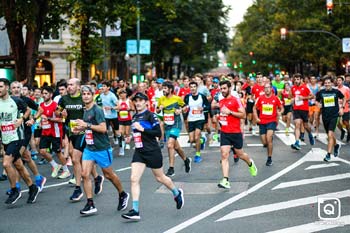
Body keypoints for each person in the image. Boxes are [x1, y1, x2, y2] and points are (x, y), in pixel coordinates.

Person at [121, 92, 184, 221]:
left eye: (140, 101)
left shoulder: (151, 116)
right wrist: (131, 137)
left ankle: (177, 193)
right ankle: (135, 210)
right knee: (134, 179)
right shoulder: (134, 117)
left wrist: (142, 129)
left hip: (152, 151)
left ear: (146, 102)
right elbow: (138, 133)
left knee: (160, 178)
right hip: (139, 151)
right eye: (136, 101)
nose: (138, 103)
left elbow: (158, 133)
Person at [70, 85, 129, 215]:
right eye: (83, 94)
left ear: (92, 96)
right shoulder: (85, 110)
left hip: (102, 148)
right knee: (85, 174)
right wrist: (79, 129)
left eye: (88, 94)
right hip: (89, 148)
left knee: (109, 175)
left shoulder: (97, 110)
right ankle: (90, 203)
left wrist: (87, 125)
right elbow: (88, 128)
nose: (85, 96)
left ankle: (123, 194)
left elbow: (103, 129)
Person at [57, 78, 104, 201]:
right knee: (83, 159)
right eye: (68, 85)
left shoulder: (83, 98)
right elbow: (58, 111)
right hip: (72, 132)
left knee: (75, 158)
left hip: (85, 132)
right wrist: (62, 114)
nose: (69, 87)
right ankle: (97, 177)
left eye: (71, 85)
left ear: (78, 87)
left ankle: (78, 189)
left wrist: (87, 125)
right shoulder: (64, 99)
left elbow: (92, 111)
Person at [0, 78, 40, 204]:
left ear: (6, 88)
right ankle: (32, 187)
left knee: (6, 164)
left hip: (17, 137)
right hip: (5, 138)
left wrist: (21, 119)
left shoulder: (16, 101)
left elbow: (28, 110)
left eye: (0, 86)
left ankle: (14, 190)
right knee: (18, 165)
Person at [217, 80, 257, 189]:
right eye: (221, 89)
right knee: (224, 155)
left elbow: (243, 115)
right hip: (225, 132)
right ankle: (225, 180)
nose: (222, 91)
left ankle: (250, 163)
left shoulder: (236, 100)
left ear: (229, 88)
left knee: (240, 154)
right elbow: (222, 116)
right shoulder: (221, 101)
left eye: (224, 88)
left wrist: (230, 112)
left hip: (235, 133)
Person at [32, 86, 70, 179]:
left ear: (51, 95)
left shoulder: (55, 106)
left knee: (58, 152)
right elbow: (40, 116)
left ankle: (66, 171)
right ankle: (55, 165)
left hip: (55, 132)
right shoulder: (41, 105)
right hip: (45, 132)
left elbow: (62, 119)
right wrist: (40, 122)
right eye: (43, 94)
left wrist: (48, 118)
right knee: (42, 151)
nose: (44, 95)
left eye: (46, 93)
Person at [157, 81, 191, 177]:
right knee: (176, 147)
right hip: (167, 125)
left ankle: (171, 168)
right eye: (163, 88)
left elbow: (185, 107)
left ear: (170, 89)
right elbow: (157, 110)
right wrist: (160, 108)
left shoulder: (177, 99)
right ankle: (186, 159)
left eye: (165, 88)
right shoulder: (161, 99)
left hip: (176, 125)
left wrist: (180, 110)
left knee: (169, 145)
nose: (163, 90)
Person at [253, 83, 284, 166]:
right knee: (264, 142)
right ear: (264, 90)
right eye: (265, 88)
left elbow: (281, 107)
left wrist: (280, 112)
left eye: (268, 88)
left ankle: (269, 158)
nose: (267, 89)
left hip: (272, 121)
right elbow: (254, 108)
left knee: (269, 138)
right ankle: (268, 144)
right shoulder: (260, 98)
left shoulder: (275, 98)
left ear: (271, 89)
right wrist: (256, 118)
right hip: (262, 122)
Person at [316, 76, 345, 161]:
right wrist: (318, 104)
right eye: (326, 83)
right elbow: (316, 100)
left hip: (334, 115)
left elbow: (343, 98)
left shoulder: (336, 92)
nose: (327, 84)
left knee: (330, 135)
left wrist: (342, 108)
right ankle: (336, 145)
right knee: (330, 135)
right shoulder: (321, 92)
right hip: (325, 116)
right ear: (324, 84)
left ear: (332, 83)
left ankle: (328, 154)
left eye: (329, 83)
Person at [183, 81, 210, 163]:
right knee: (191, 140)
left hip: (200, 119)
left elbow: (208, 106)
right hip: (191, 119)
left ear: (197, 87)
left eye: (194, 87)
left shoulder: (202, 96)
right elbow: (184, 105)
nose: (193, 88)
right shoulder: (187, 97)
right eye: (191, 87)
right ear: (189, 88)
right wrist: (184, 109)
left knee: (196, 137)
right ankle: (202, 141)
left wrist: (203, 108)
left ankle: (198, 155)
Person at [290, 73, 315, 150]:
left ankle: (310, 134)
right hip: (296, 109)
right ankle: (297, 142)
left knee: (306, 126)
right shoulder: (293, 88)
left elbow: (312, 96)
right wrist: (292, 99)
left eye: (298, 79)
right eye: (295, 79)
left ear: (301, 80)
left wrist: (303, 98)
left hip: (304, 109)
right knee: (297, 124)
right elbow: (290, 96)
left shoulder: (305, 87)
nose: (296, 81)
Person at [100, 80, 120, 146]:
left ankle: (121, 146)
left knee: (117, 132)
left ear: (108, 88)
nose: (102, 87)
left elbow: (118, 106)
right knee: (105, 130)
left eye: (104, 86)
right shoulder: (101, 95)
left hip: (113, 116)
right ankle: (107, 145)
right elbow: (101, 104)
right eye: (102, 86)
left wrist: (111, 108)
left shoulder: (112, 95)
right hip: (105, 116)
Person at [117, 89, 134, 155]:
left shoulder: (129, 101)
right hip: (121, 119)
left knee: (126, 132)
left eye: (124, 93)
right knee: (121, 132)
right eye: (121, 93)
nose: (122, 95)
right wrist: (117, 109)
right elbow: (117, 109)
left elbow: (133, 108)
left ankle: (127, 144)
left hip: (127, 118)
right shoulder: (119, 101)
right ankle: (123, 144)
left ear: (126, 94)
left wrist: (129, 109)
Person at [335, 76, 350, 142]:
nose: (338, 82)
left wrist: (343, 101)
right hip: (337, 108)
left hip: (345, 107)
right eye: (337, 80)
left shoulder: (346, 89)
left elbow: (349, 98)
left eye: (340, 80)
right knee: (337, 122)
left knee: (345, 122)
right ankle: (342, 131)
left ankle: (349, 132)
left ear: (342, 81)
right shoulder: (335, 89)